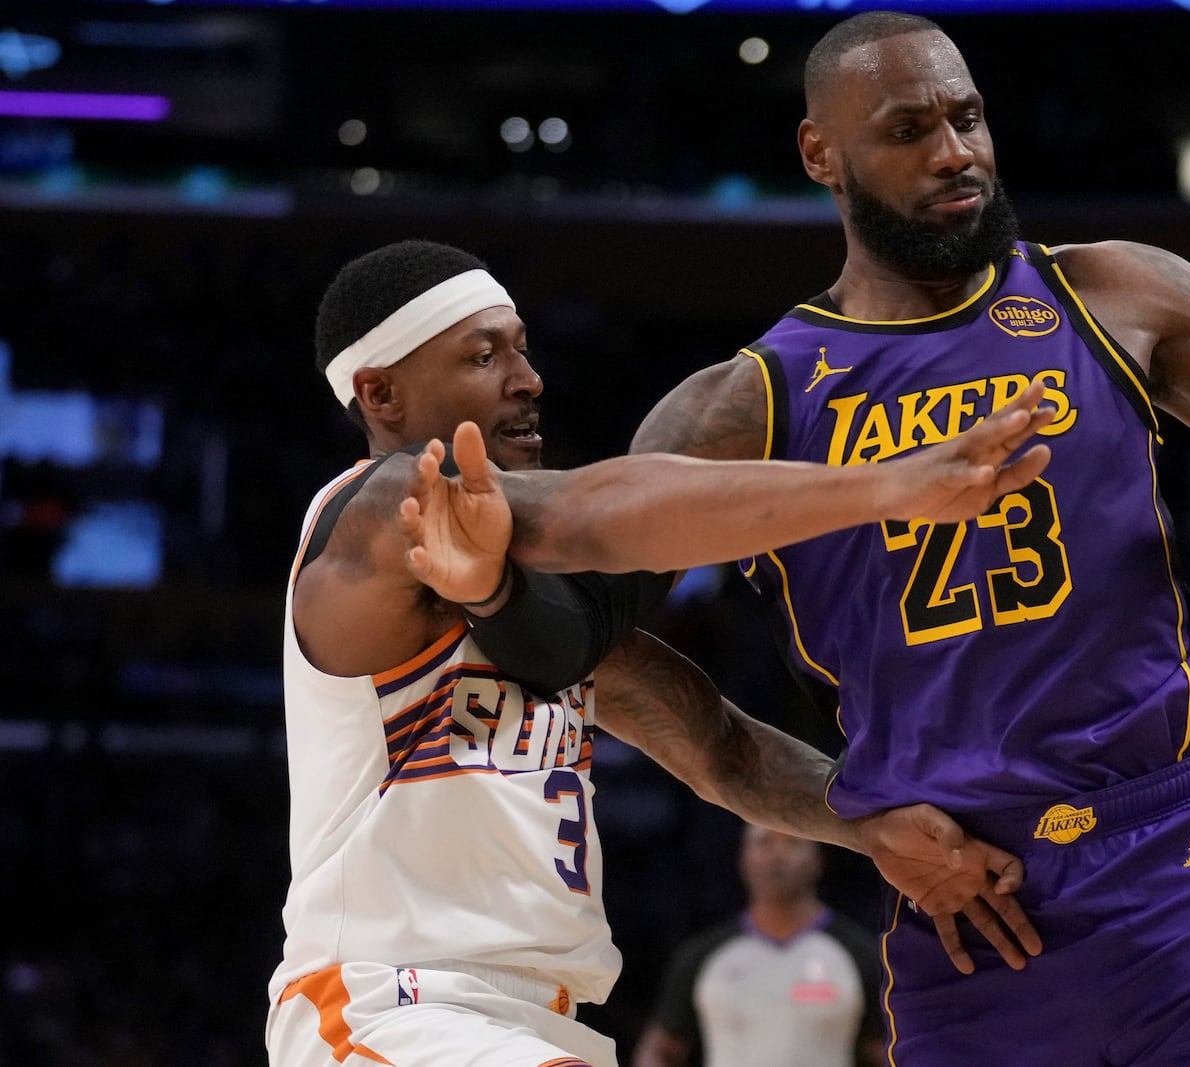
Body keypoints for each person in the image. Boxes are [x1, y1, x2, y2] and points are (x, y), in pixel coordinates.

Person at [627, 11, 1190, 1067]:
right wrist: (846, 819)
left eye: (967, 116)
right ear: (819, 153)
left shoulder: (1106, 295)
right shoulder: (749, 406)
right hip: (970, 911)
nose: (954, 150)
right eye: (909, 127)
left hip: (1184, 864)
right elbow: (587, 648)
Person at [264, 238, 1054, 1067]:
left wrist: (869, 826)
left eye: (523, 347)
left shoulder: (529, 605)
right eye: (484, 354)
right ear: (381, 392)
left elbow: (717, 744)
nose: (527, 378)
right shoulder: (376, 510)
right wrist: (889, 487)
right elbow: (591, 515)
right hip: (388, 1004)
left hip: (533, 1020)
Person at [632, 822, 886, 1067]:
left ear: (818, 859)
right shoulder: (703, 955)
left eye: (792, 842)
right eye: (764, 842)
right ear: (743, 859)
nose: (778, 855)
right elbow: (659, 1051)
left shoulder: (858, 954)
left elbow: (888, 1051)